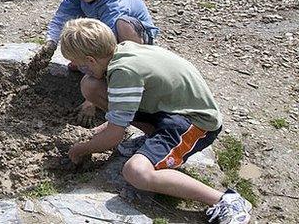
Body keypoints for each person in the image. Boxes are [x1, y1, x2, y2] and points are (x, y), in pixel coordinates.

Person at [61, 19, 253, 224]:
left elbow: (114, 137)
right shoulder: (122, 50)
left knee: (136, 172)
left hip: (195, 124)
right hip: (171, 110)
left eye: (82, 65)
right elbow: (118, 109)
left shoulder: (124, 72)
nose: (82, 70)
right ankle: (152, 140)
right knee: (91, 86)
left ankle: (225, 200)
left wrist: (81, 149)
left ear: (91, 60)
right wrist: (111, 125)